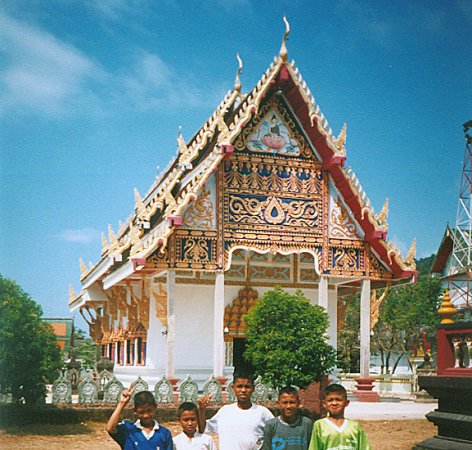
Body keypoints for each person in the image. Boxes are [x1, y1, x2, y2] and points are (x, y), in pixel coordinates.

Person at [198, 371, 274, 450]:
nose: (243, 390)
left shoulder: (262, 412)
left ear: (253, 388)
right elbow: (203, 429)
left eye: (247, 386)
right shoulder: (225, 412)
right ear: (233, 388)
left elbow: (277, 434)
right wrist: (202, 410)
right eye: (239, 386)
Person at [106, 386, 173, 450]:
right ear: (135, 411)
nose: (146, 415)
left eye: (149, 410)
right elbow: (110, 428)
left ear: (155, 408)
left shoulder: (164, 433)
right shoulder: (128, 430)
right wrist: (122, 403)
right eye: (141, 412)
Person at [308, 384, 371, 450]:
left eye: (338, 400)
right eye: (330, 400)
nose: (334, 403)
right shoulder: (319, 425)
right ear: (324, 404)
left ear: (346, 403)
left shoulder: (355, 426)